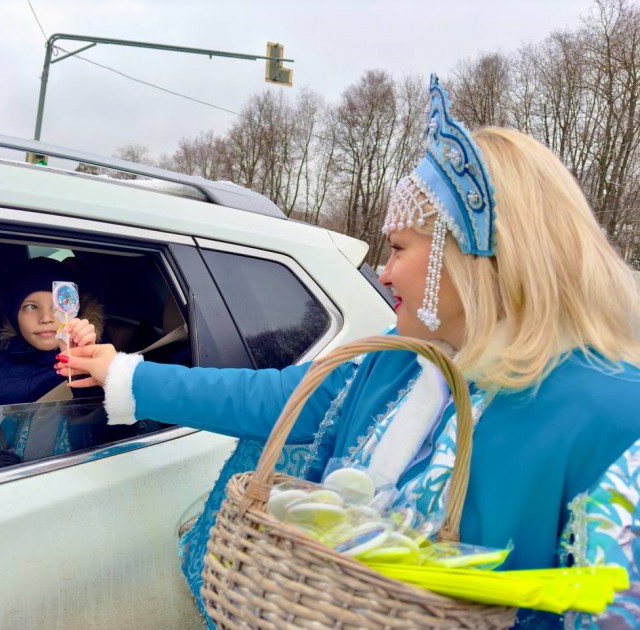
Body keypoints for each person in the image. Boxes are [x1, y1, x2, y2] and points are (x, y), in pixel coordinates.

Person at [55, 75, 640, 628]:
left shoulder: (614, 418)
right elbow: (271, 400)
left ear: (469, 254)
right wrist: (118, 370)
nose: (382, 273)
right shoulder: (396, 359)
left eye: (397, 248)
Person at [0, 256, 113, 458]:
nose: (45, 318)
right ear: (14, 314)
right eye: (31, 307)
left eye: (58, 306)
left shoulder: (95, 357)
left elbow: (107, 429)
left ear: (75, 309)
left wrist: (83, 362)